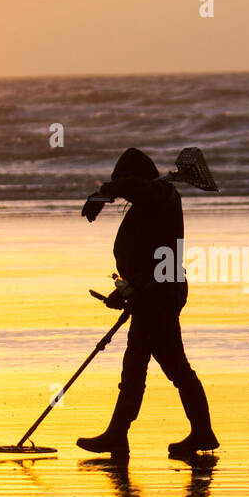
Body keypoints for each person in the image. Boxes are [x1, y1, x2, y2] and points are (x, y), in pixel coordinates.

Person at [77, 148, 219, 459]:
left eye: (125, 183)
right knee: (137, 367)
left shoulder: (161, 193)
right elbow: (144, 259)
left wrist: (102, 195)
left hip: (160, 296)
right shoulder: (152, 200)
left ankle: (200, 432)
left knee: (173, 367)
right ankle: (119, 435)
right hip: (151, 294)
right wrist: (125, 291)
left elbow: (137, 188)